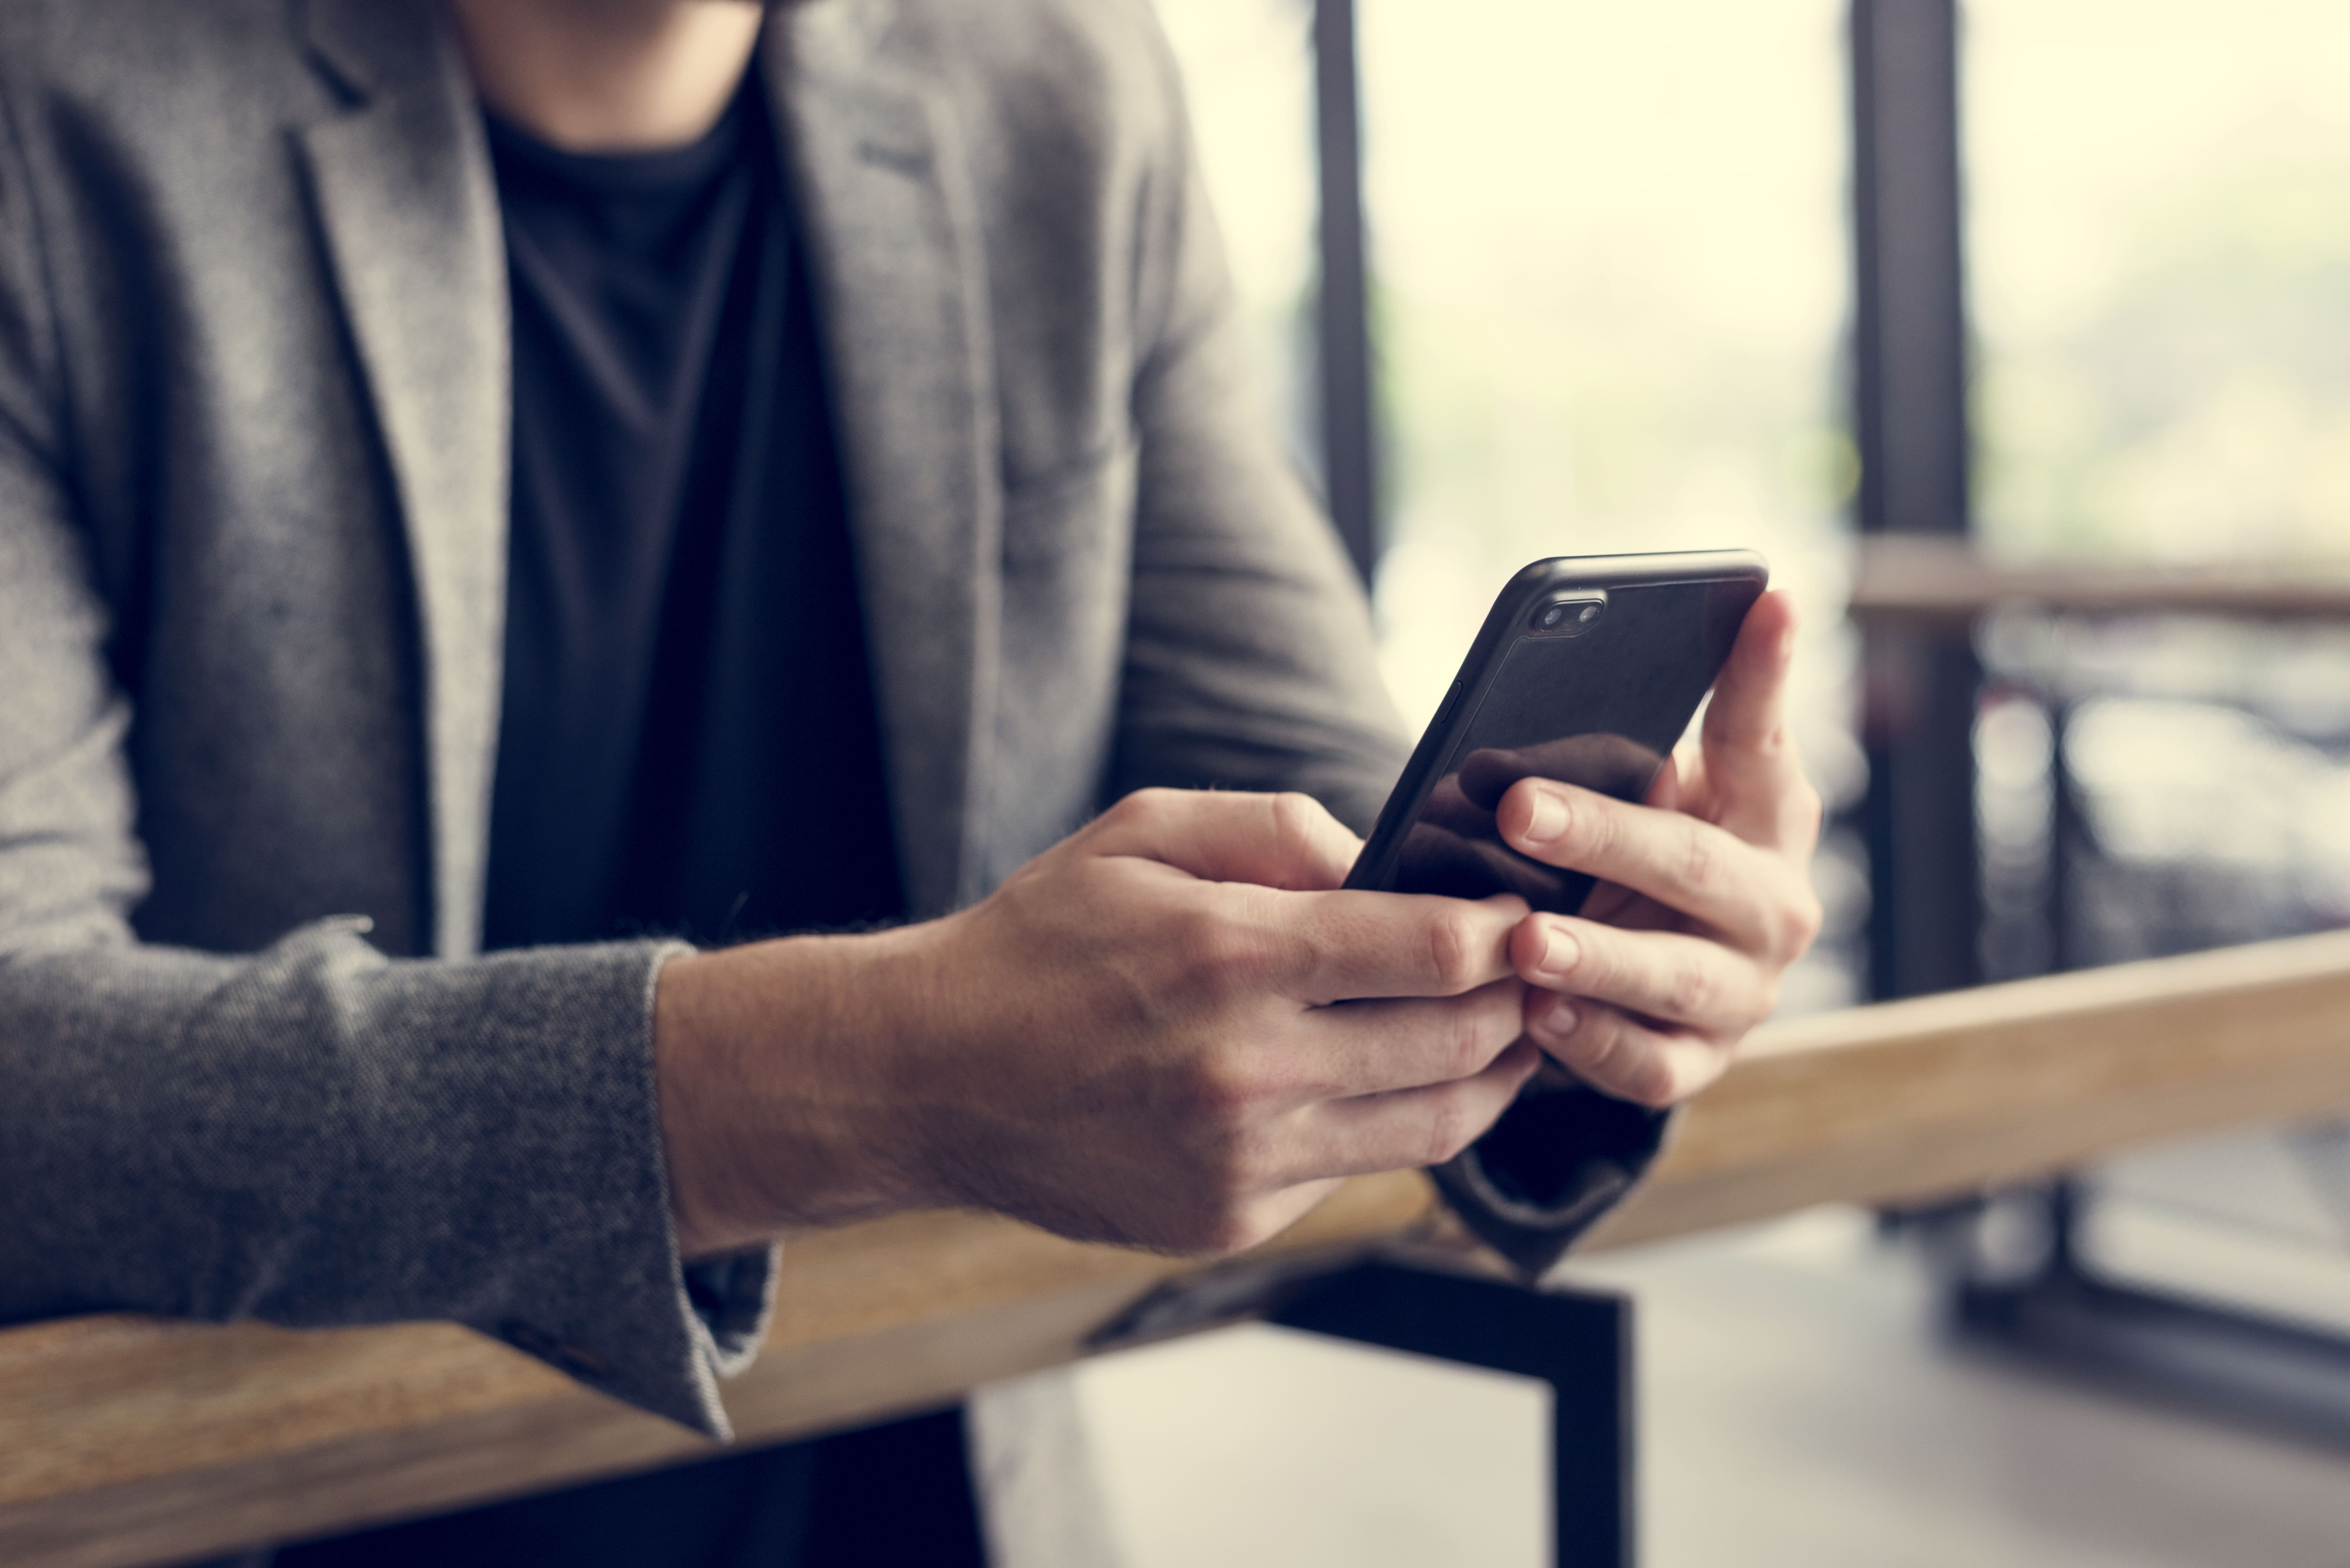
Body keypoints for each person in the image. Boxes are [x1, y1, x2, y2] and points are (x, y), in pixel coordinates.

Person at [0, 0, 1823, 1561]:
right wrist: (871, 1075)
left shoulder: (1049, 88)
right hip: (257, 1501)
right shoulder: (63, 113)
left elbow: (1321, 815)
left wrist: (1578, 928)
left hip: (935, 1496)